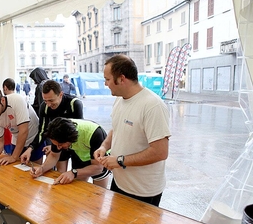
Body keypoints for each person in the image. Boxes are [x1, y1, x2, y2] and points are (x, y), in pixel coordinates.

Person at [93, 54, 171, 206]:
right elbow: (116, 128)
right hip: (120, 183)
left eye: (108, 79)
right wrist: (104, 146)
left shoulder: (152, 106)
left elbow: (160, 152)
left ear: (121, 79)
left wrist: (119, 160)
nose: (105, 84)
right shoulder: (119, 99)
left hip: (143, 191)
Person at [20, 80, 83, 173]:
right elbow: (42, 131)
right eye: (45, 100)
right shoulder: (44, 107)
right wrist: (31, 148)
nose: (48, 104)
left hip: (76, 144)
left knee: (78, 176)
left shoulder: (74, 104)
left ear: (60, 94)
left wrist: (59, 145)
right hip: (59, 144)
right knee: (60, 173)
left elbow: (79, 130)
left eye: (51, 100)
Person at [30, 117, 110, 188]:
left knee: (99, 192)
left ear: (70, 138)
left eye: (60, 145)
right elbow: (54, 155)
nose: (58, 148)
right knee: (79, 189)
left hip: (99, 161)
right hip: (80, 155)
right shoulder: (57, 134)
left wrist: (74, 173)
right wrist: (42, 168)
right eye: (55, 145)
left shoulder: (95, 134)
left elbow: (98, 168)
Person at [0, 87, 43, 166]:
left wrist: (14, 157)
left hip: (33, 139)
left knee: (34, 170)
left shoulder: (17, 100)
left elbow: (23, 131)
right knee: (16, 170)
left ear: (2, 100)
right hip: (17, 139)